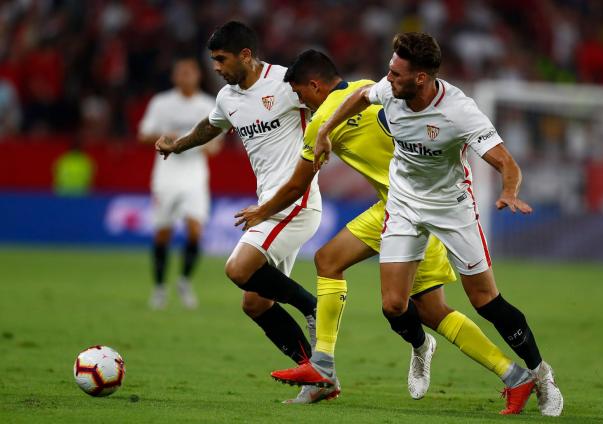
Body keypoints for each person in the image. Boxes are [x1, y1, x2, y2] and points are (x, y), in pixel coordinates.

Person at [236, 50, 538, 414]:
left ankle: (511, 374)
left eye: (301, 95)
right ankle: (329, 364)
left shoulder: (323, 121)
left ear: (315, 86)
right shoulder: (371, 87)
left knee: (428, 308)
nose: (302, 104)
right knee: (343, 269)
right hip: (394, 205)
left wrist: (262, 211)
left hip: (410, 208)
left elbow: (297, 185)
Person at [311, 33, 564, 417]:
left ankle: (541, 374)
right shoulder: (389, 89)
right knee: (394, 306)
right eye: (390, 70)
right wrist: (327, 130)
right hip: (403, 205)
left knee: (486, 302)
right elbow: (361, 97)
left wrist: (510, 191)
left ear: (423, 78)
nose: (388, 79)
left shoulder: (459, 111)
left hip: (452, 209)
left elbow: (506, 163)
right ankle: (422, 347)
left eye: (397, 74)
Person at [154, 22, 334, 404]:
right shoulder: (227, 98)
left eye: (221, 60)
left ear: (246, 56)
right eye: (213, 60)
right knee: (255, 303)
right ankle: (319, 380)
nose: (216, 67)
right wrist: (178, 145)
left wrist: (325, 135)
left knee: (237, 268)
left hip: (295, 201)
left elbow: (329, 103)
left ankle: (313, 308)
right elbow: (211, 126)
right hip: (268, 201)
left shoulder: (287, 82)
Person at [138, 57, 220, 310]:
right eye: (181, 73)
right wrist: (167, 138)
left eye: (190, 73)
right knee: (163, 233)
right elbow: (143, 135)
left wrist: (195, 142)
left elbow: (215, 146)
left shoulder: (208, 104)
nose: (185, 77)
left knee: (195, 230)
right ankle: (160, 288)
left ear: (197, 76)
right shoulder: (161, 103)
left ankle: (184, 281)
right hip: (166, 176)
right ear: (175, 77)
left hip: (195, 176)